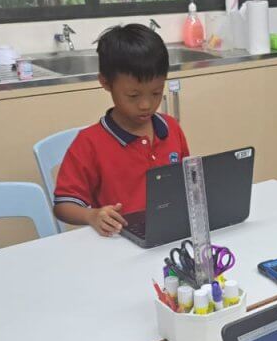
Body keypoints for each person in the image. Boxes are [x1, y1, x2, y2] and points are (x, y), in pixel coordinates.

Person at [53, 24, 190, 236]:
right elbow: (63, 206)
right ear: (105, 83)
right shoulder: (90, 143)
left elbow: (188, 180)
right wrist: (92, 215)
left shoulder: (170, 128)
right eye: (133, 96)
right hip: (119, 239)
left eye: (156, 93)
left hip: (170, 233)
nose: (146, 105)